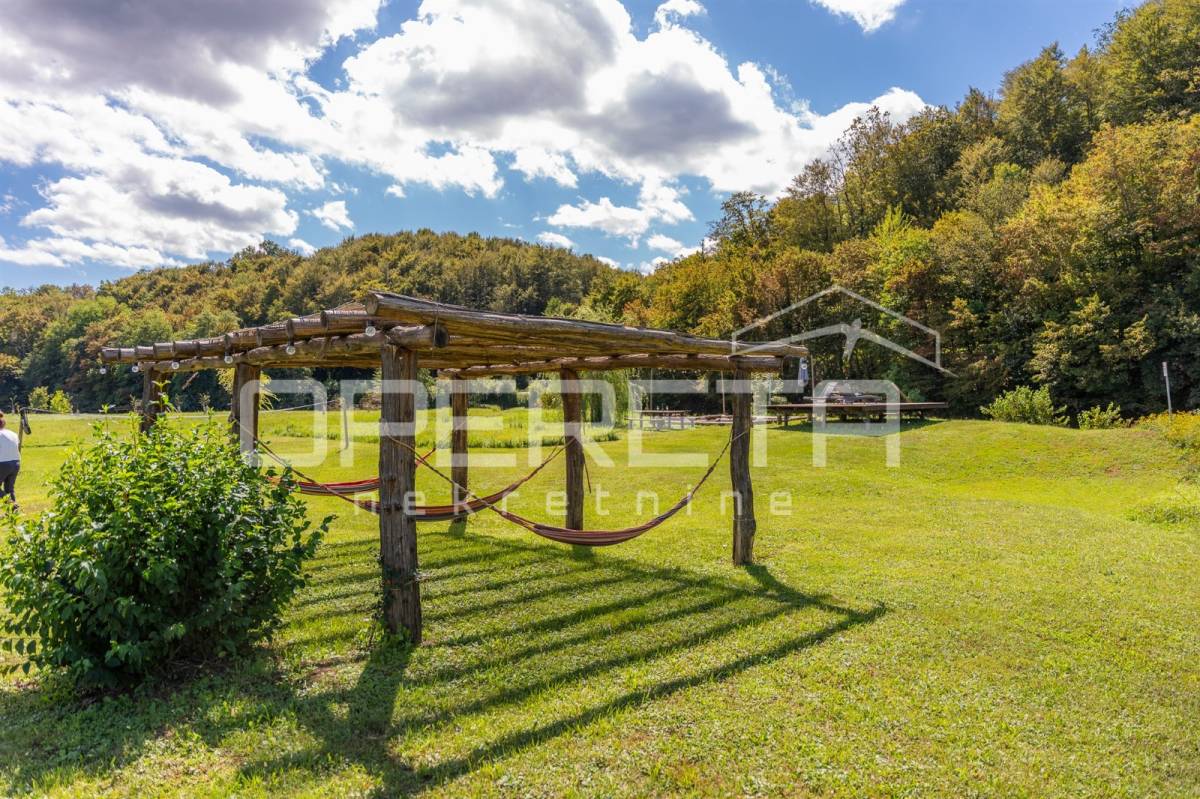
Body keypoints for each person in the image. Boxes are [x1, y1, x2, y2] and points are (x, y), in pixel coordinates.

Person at [0, 411, 20, 508]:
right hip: (16, 463)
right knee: (9, 489)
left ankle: (12, 505)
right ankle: (14, 512)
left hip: (3, 464)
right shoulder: (13, 434)